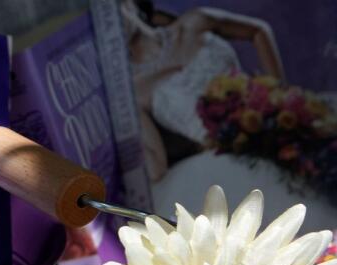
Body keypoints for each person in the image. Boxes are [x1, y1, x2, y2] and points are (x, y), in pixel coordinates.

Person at [122, 0, 285, 180]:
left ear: (130, 4)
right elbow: (156, 169)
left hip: (276, 126)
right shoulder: (136, 90)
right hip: (230, 162)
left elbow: (259, 31)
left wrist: (279, 98)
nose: (113, 23)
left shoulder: (196, 21)